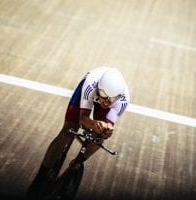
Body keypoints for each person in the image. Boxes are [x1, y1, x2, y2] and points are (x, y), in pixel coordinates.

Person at [26, 66, 130, 197]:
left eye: (112, 98)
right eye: (103, 95)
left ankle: (77, 163)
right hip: (88, 92)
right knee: (69, 129)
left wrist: (106, 131)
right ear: (99, 88)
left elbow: (108, 127)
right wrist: (93, 124)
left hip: (106, 96)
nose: (105, 101)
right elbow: (82, 118)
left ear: (118, 97)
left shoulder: (122, 101)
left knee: (99, 137)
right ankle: (40, 177)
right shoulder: (91, 85)